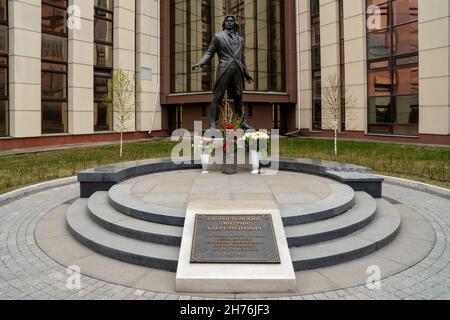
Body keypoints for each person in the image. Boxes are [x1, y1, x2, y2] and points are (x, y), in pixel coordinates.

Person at [192, 15, 254, 130]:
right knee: (218, 96)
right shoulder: (218, 37)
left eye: (231, 21)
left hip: (237, 71)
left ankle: (242, 123)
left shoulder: (240, 39)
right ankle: (213, 124)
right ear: (224, 23)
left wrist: (246, 73)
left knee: (238, 97)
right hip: (224, 69)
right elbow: (210, 52)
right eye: (227, 21)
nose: (229, 22)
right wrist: (201, 63)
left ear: (234, 23)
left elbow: (242, 57)